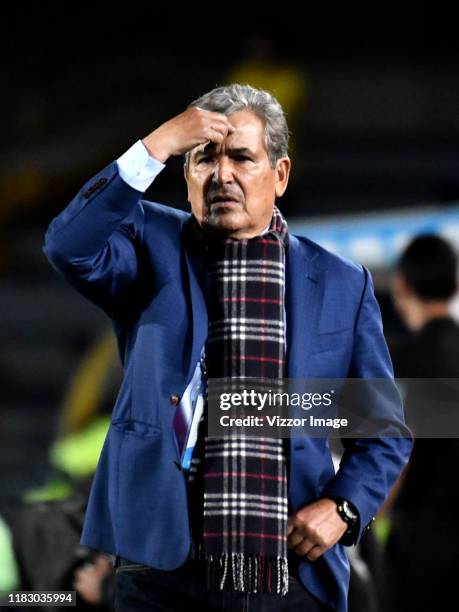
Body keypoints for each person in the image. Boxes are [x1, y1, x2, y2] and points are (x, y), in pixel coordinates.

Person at [43, 84, 412, 612]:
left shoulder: (340, 282)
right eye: (203, 158)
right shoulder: (151, 243)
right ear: (186, 174)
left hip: (293, 572)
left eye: (242, 157)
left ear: (279, 175)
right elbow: (66, 245)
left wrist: (344, 508)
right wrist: (158, 143)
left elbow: (385, 429)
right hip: (163, 569)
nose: (222, 175)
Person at [384, 234, 459, 611]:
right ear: (454, 287)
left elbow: (398, 453)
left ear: (401, 285)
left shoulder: (405, 365)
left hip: (421, 544)